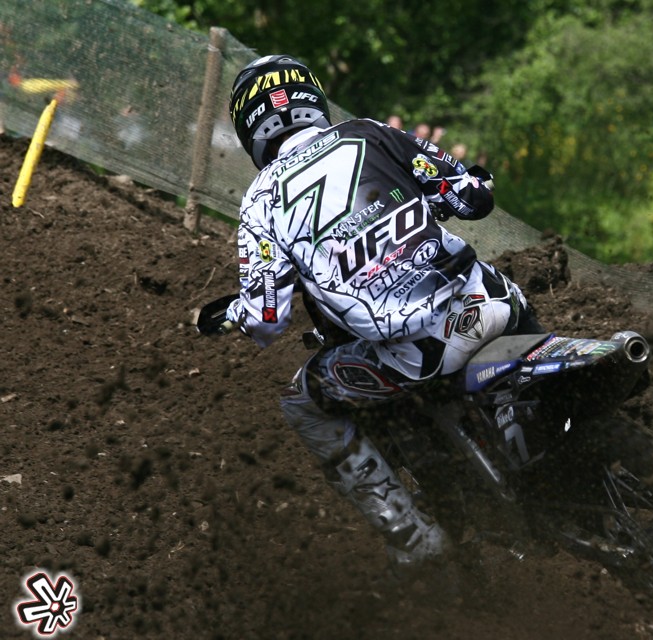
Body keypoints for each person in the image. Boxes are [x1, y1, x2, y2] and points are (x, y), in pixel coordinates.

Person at [200, 54, 539, 573]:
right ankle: (540, 424)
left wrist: (235, 315)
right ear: (312, 98)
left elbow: (267, 317)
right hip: (490, 302)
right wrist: (464, 188)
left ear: (250, 128)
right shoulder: (371, 133)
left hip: (414, 354)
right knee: (511, 306)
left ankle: (414, 538)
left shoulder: (261, 203)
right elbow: (472, 199)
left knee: (302, 401)